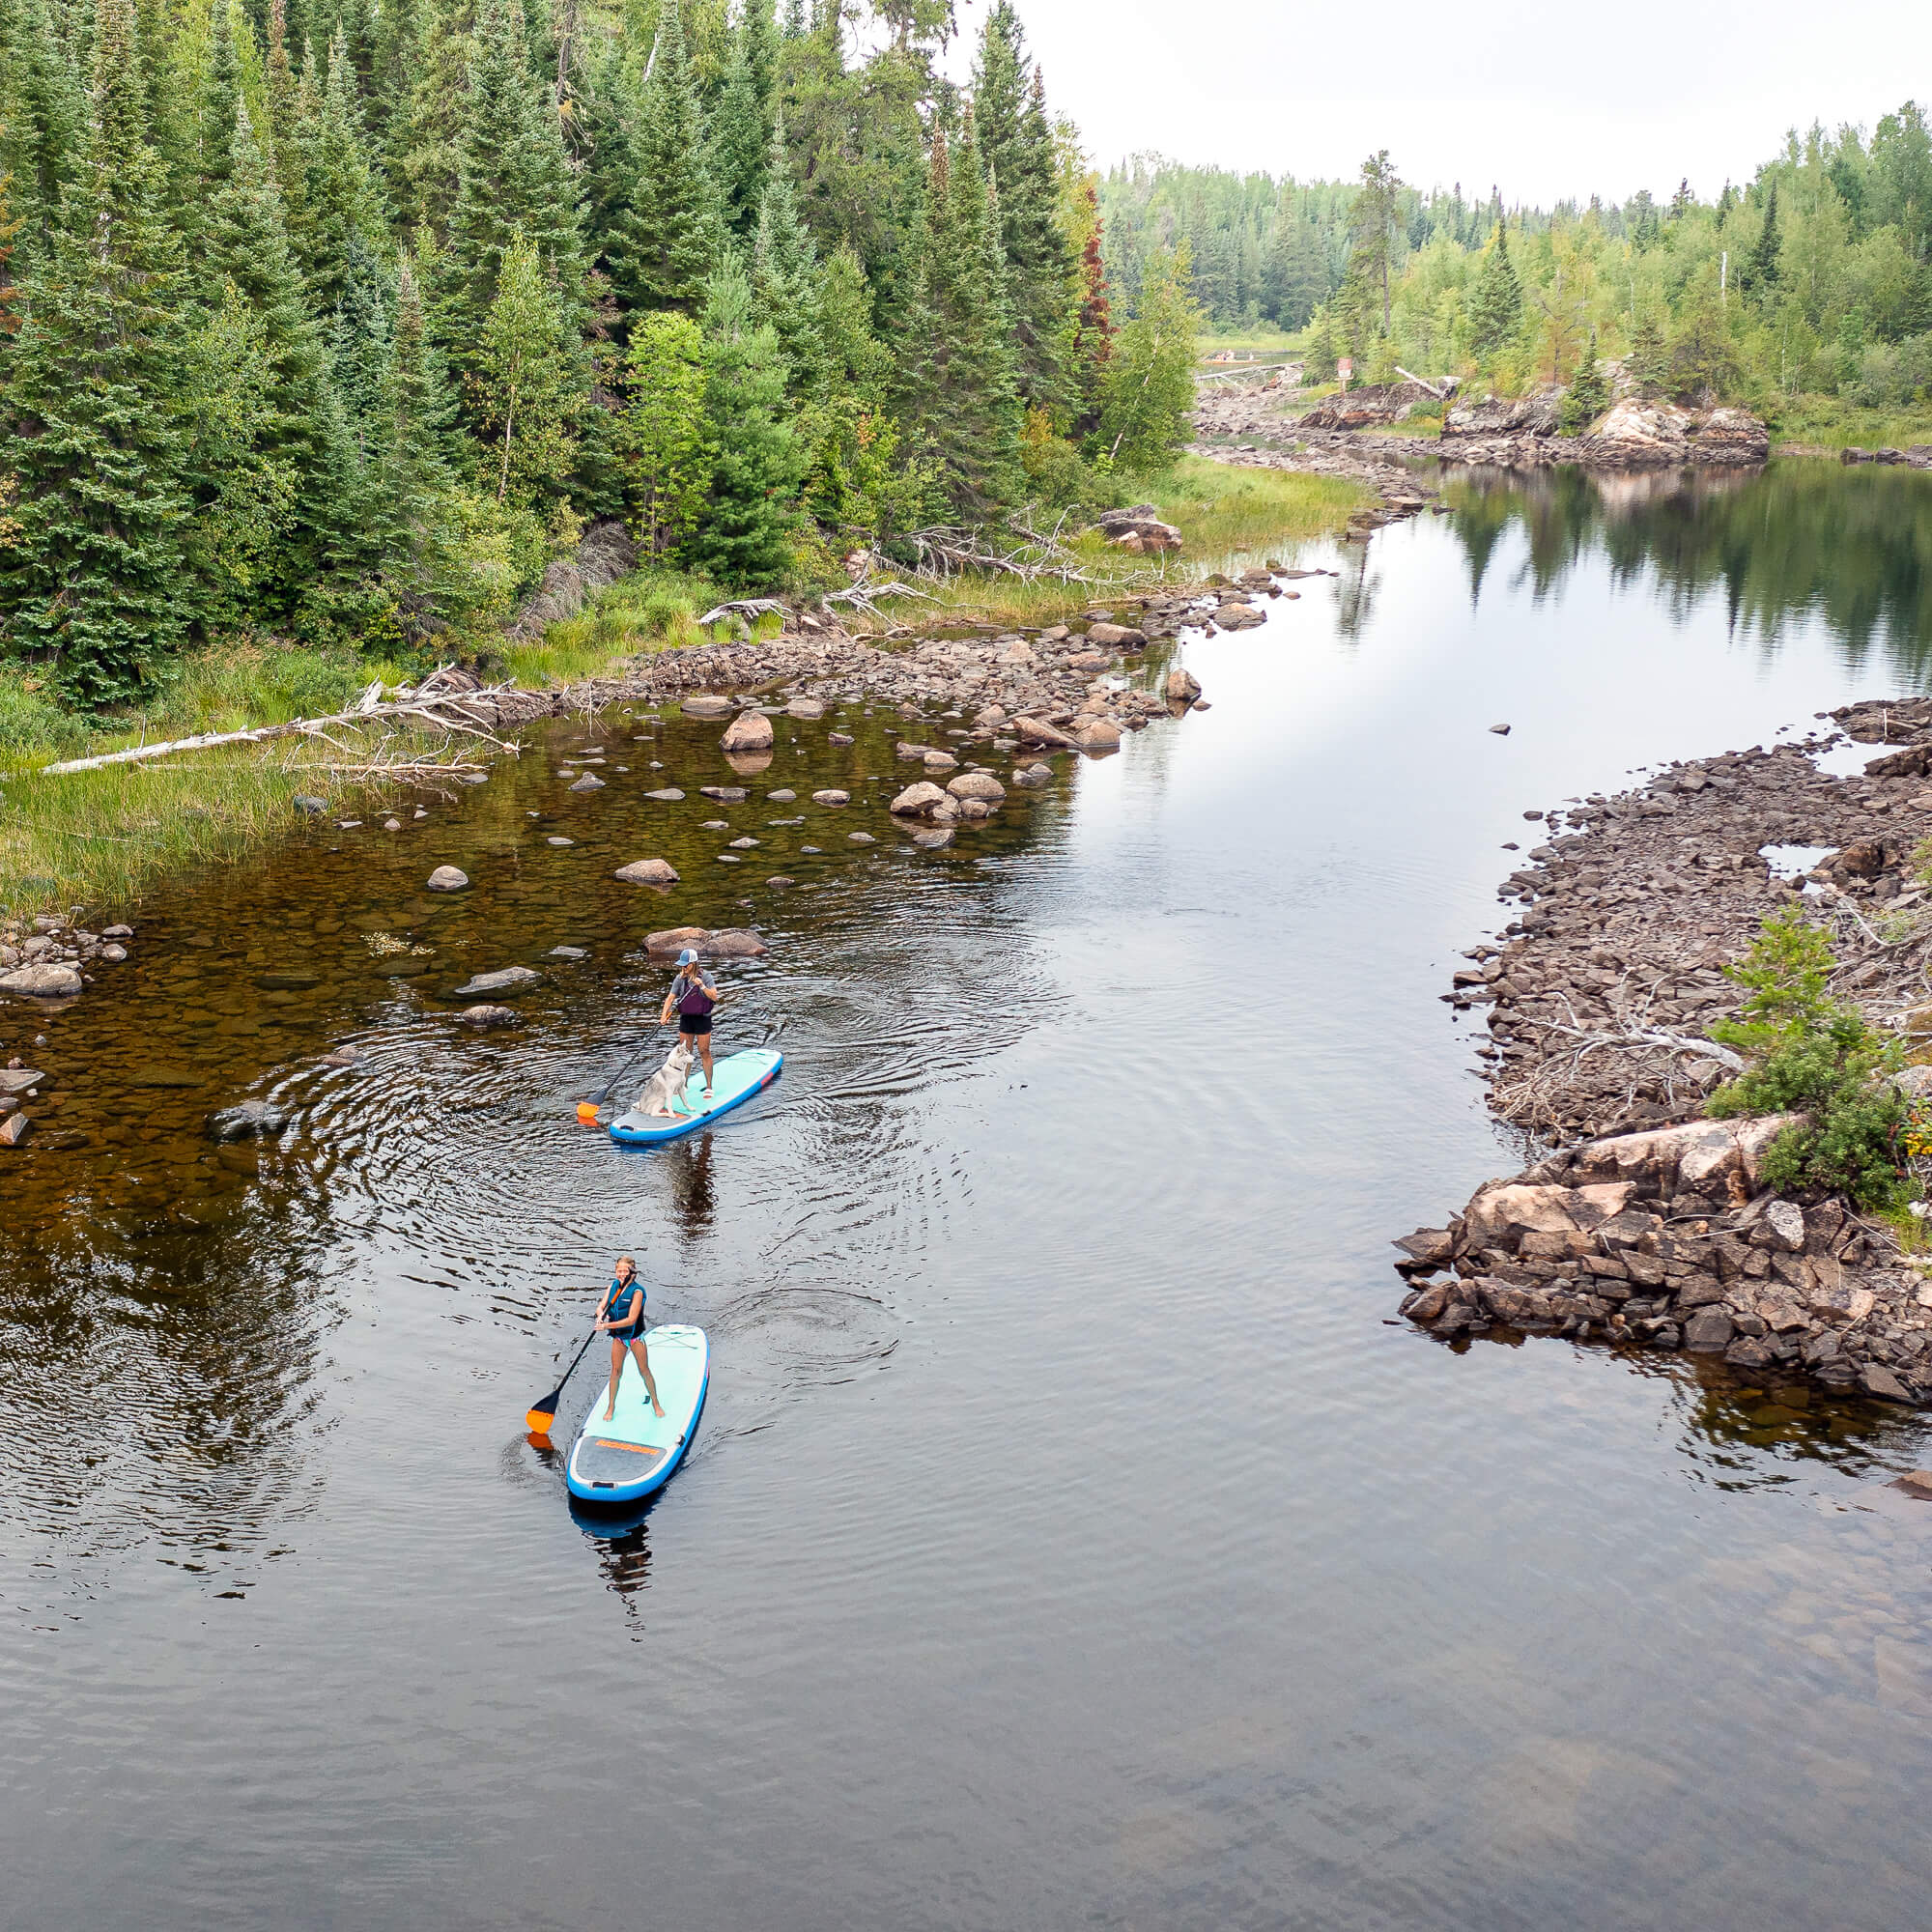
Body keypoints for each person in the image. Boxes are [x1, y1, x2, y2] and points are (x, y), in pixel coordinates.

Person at [596, 1256, 664, 1422]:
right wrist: (600, 1316)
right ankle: (611, 1407)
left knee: (644, 1370)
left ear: (632, 1272)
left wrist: (606, 1326)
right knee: (616, 1372)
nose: (621, 1274)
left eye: (625, 1271)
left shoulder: (637, 1291)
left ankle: (655, 1403)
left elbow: (631, 1319)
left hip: (635, 1338)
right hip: (618, 1338)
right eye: (618, 1271)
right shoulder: (612, 1286)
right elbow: (601, 1306)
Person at [661, 948, 719, 1097]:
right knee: (684, 1053)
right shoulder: (680, 978)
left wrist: (702, 986)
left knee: (704, 1052)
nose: (683, 967)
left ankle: (709, 1087)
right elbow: (670, 998)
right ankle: (683, 1085)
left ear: (693, 963)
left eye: (686, 965)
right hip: (686, 1018)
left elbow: (714, 997)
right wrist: (663, 1015)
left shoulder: (706, 976)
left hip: (702, 1019)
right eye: (682, 965)